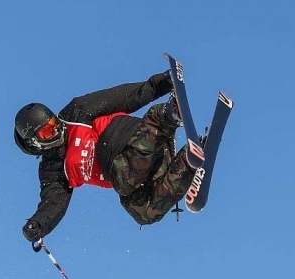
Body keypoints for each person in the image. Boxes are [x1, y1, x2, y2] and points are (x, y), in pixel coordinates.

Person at [14, 70, 199, 243]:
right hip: (145, 170)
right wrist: (39, 225)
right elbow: (54, 203)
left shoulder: (76, 113)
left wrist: (163, 83)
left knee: (124, 178)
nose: (56, 129)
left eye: (53, 122)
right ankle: (187, 164)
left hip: (142, 138)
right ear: (35, 143)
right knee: (143, 211)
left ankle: (167, 117)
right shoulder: (53, 169)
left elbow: (124, 97)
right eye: (47, 132)